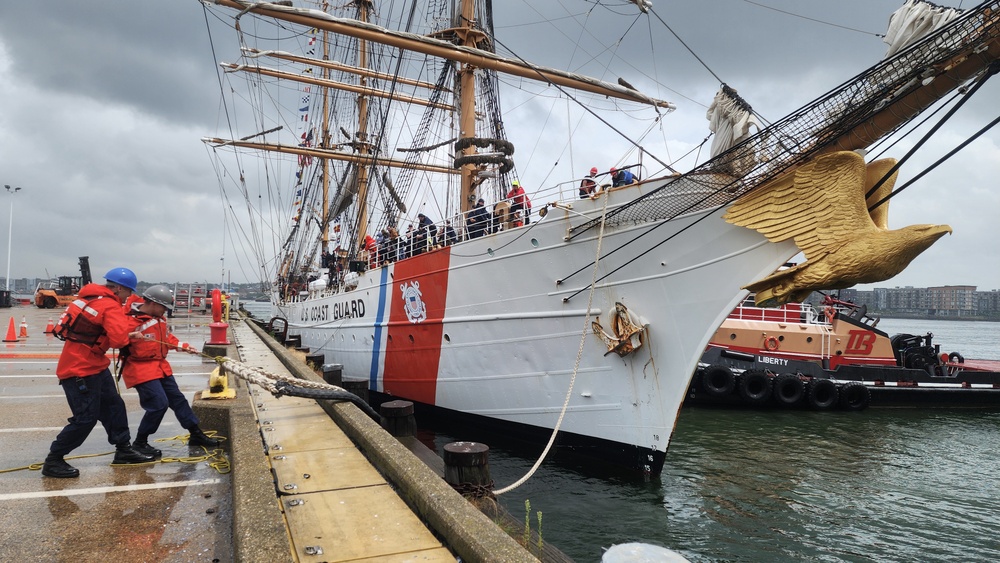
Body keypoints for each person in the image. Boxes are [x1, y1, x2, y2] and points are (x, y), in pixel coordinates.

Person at [42, 267, 155, 478]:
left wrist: (125, 334)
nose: (129, 297)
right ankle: (54, 460)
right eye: (128, 292)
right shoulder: (109, 305)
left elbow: (94, 331)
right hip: (80, 370)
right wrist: (128, 335)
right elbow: (118, 340)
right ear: (120, 289)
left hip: (92, 365)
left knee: (114, 406)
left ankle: (123, 450)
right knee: (85, 418)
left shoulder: (88, 298)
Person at [121, 285, 220, 458]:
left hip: (160, 367)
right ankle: (140, 442)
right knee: (158, 405)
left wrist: (185, 347)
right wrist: (128, 336)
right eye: (163, 307)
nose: (165, 311)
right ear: (152, 303)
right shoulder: (129, 321)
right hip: (140, 368)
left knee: (178, 400)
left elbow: (167, 339)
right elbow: (114, 339)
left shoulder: (159, 319)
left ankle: (195, 433)